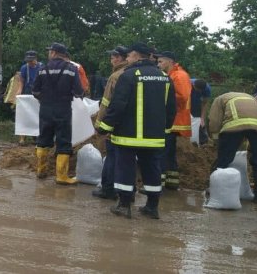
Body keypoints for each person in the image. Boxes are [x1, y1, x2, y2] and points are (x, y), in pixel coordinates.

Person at [97, 42, 176, 219]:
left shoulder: (129, 76)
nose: (128, 59)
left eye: (130, 55)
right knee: (152, 168)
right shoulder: (164, 77)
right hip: (154, 137)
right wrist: (164, 129)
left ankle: (124, 206)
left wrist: (104, 127)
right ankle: (152, 207)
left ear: (138, 56)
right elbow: (171, 108)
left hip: (128, 135)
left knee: (125, 167)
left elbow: (117, 105)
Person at [32, 42, 84, 184]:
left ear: (54, 53)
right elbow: (79, 92)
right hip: (63, 110)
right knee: (63, 141)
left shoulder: (42, 69)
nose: (48, 54)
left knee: (43, 139)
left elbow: (35, 91)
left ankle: (41, 171)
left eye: (50, 51)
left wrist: (45, 99)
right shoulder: (72, 69)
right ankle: (61, 176)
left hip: (46, 109)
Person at [207, 91, 257, 203]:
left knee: (224, 158)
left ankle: (216, 190)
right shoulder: (250, 98)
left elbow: (214, 121)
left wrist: (217, 140)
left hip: (234, 125)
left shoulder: (219, 99)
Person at [92, 46, 129, 200]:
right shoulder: (133, 73)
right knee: (125, 158)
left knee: (111, 155)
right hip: (128, 124)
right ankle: (125, 192)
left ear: (120, 58)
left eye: (113, 57)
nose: (111, 60)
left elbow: (106, 103)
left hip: (113, 123)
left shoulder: (116, 76)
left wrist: (100, 125)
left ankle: (108, 189)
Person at [156, 51, 192, 190]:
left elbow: (182, 97)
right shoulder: (172, 75)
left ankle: (158, 183)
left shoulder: (179, 75)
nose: (158, 65)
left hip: (175, 120)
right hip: (173, 119)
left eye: (160, 62)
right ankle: (171, 182)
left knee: (163, 151)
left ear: (170, 62)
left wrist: (160, 96)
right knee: (169, 152)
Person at [191, 78, 211, 144]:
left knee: (200, 123)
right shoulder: (187, 84)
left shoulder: (206, 89)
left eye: (200, 90)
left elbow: (204, 103)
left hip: (197, 106)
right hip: (186, 104)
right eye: (197, 89)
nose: (199, 91)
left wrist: (202, 118)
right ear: (193, 85)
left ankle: (203, 142)